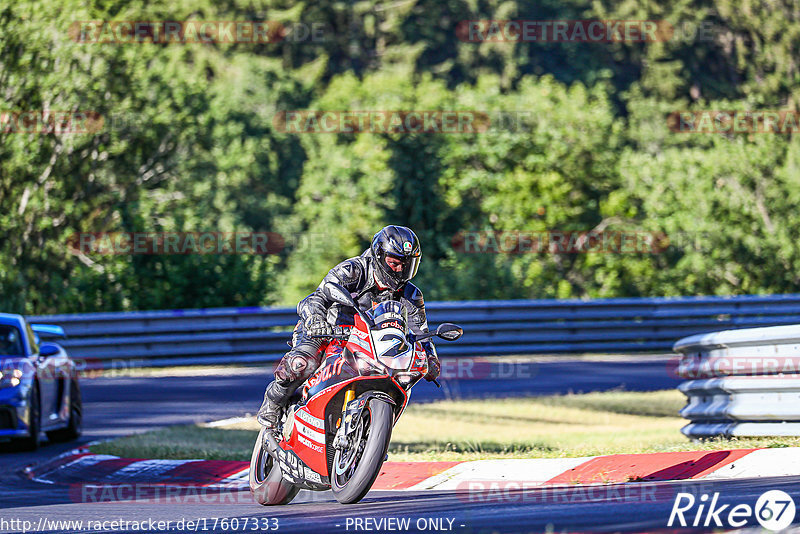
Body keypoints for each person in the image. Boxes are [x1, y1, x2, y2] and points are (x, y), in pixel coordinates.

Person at [257, 225, 441, 430]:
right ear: (379, 256)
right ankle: (273, 402)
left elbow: (421, 332)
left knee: (399, 379)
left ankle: (371, 434)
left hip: (370, 342)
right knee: (301, 363)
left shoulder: (411, 295)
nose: (400, 271)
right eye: (394, 263)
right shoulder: (353, 269)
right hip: (328, 330)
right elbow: (318, 297)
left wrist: (430, 358)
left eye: (407, 265)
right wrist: (316, 321)